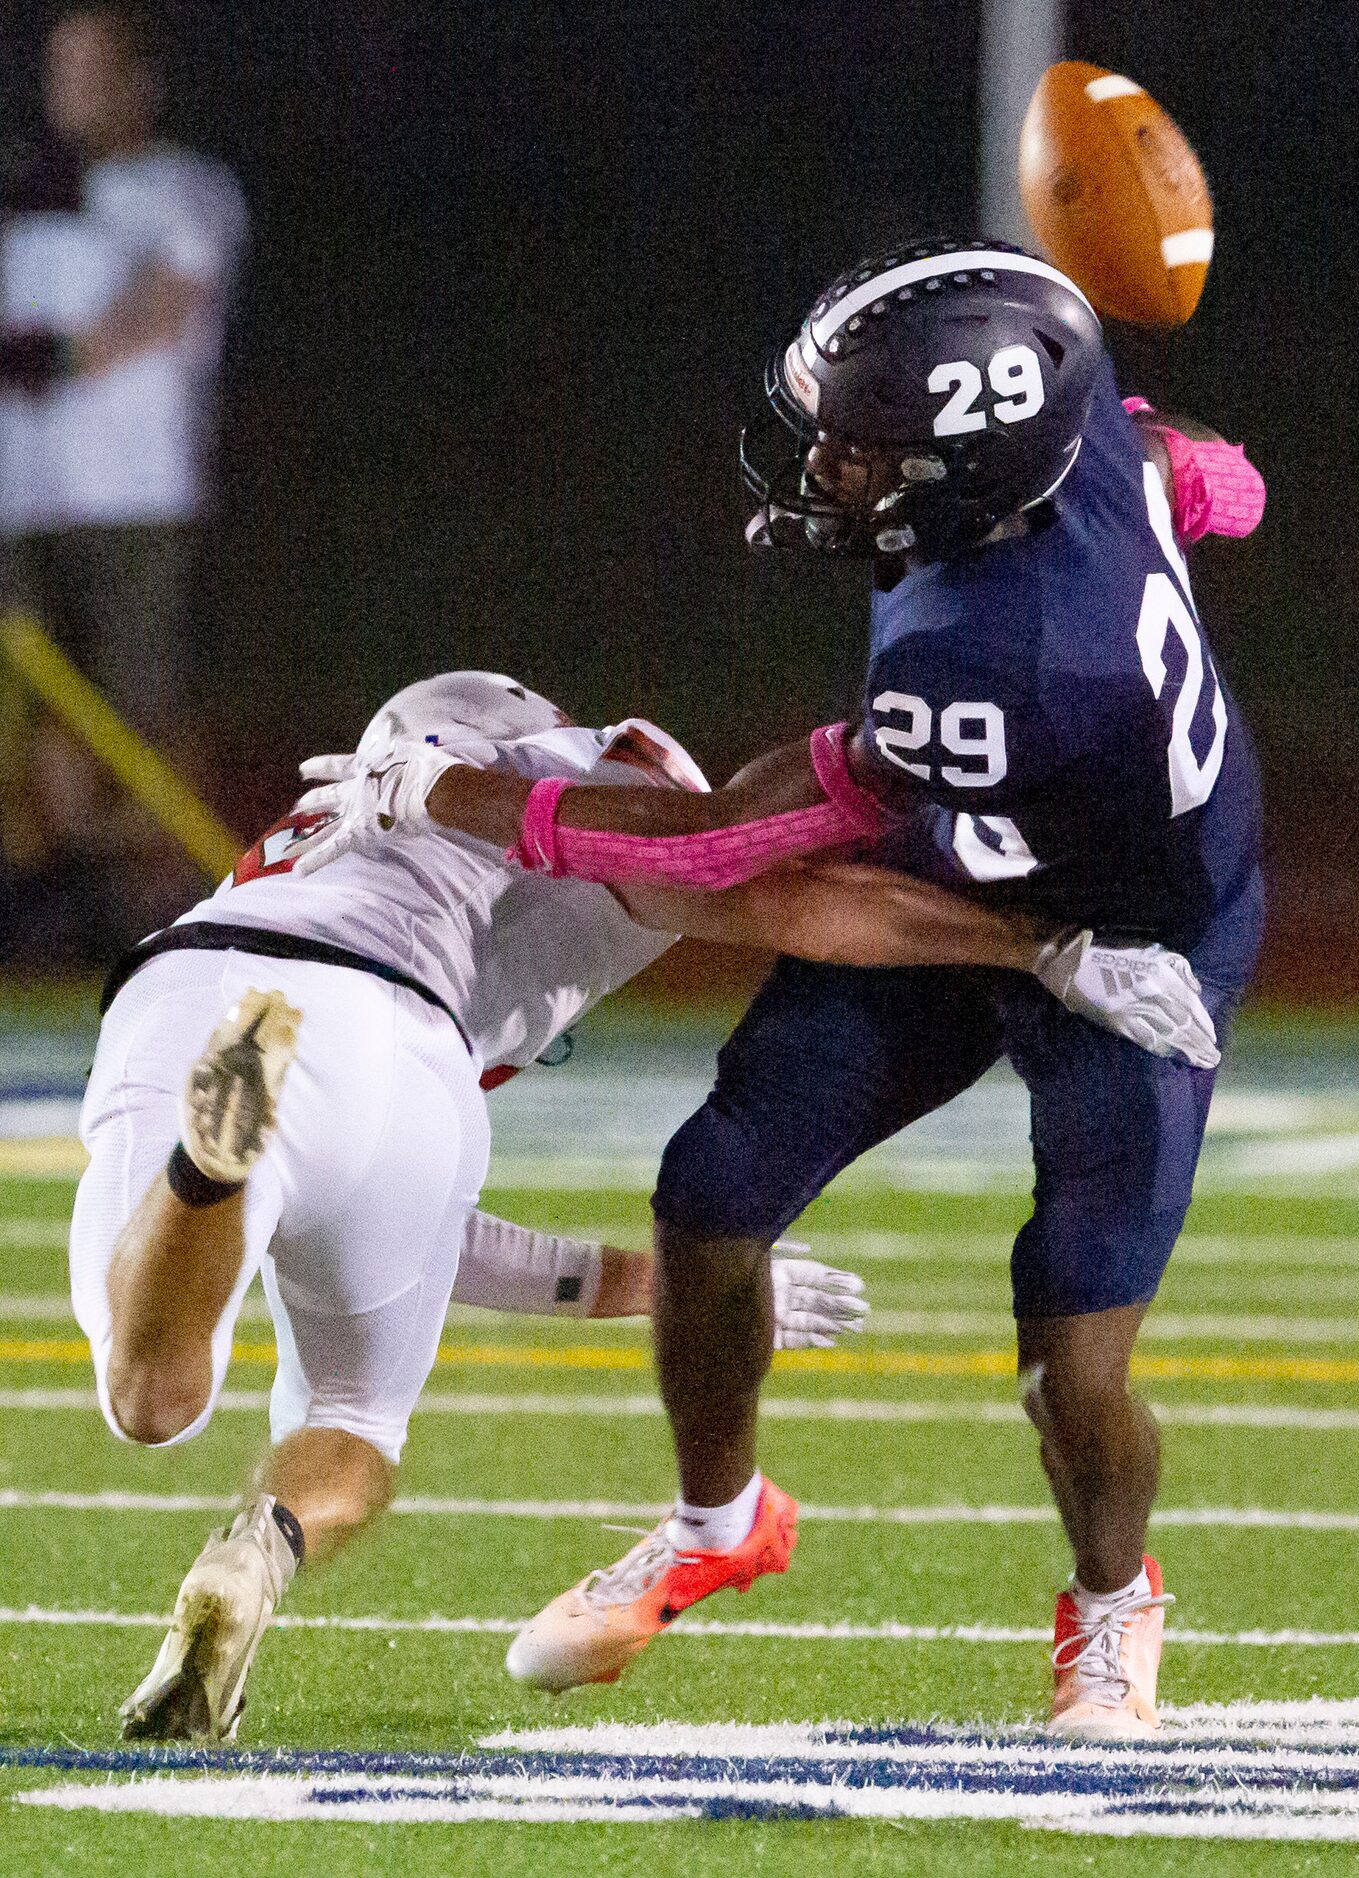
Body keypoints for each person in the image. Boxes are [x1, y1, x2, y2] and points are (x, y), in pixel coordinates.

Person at [299, 241, 1266, 1738]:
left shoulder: (985, 649)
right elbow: (1200, 469)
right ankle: (714, 1521)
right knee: (710, 1192)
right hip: (974, 857)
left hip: (1130, 946)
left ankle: (1112, 1602)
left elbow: (722, 844)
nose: (827, 461)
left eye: (869, 447)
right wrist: (1206, 495)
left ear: (970, 464)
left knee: (1066, 1360)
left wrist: (450, 791)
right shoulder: (1090, 453)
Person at [75, 670, 1211, 1741]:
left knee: (151, 1394)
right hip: (400, 1038)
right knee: (351, 1425)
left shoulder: (346, 807)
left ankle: (206, 1174)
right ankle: (265, 1543)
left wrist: (664, 1287)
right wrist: (1035, 943)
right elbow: (792, 893)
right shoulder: (584, 797)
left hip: (190, 984)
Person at [0, 4, 248, 953]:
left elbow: (151, 315)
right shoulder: (29, 203)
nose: (74, 90)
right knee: (42, 721)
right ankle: (61, 909)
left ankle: (170, 910)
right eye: (64, 68)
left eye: (96, 69)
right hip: (25, 504)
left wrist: (45, 362)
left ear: (142, 80)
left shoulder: (183, 189)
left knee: (140, 718)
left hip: (137, 501)